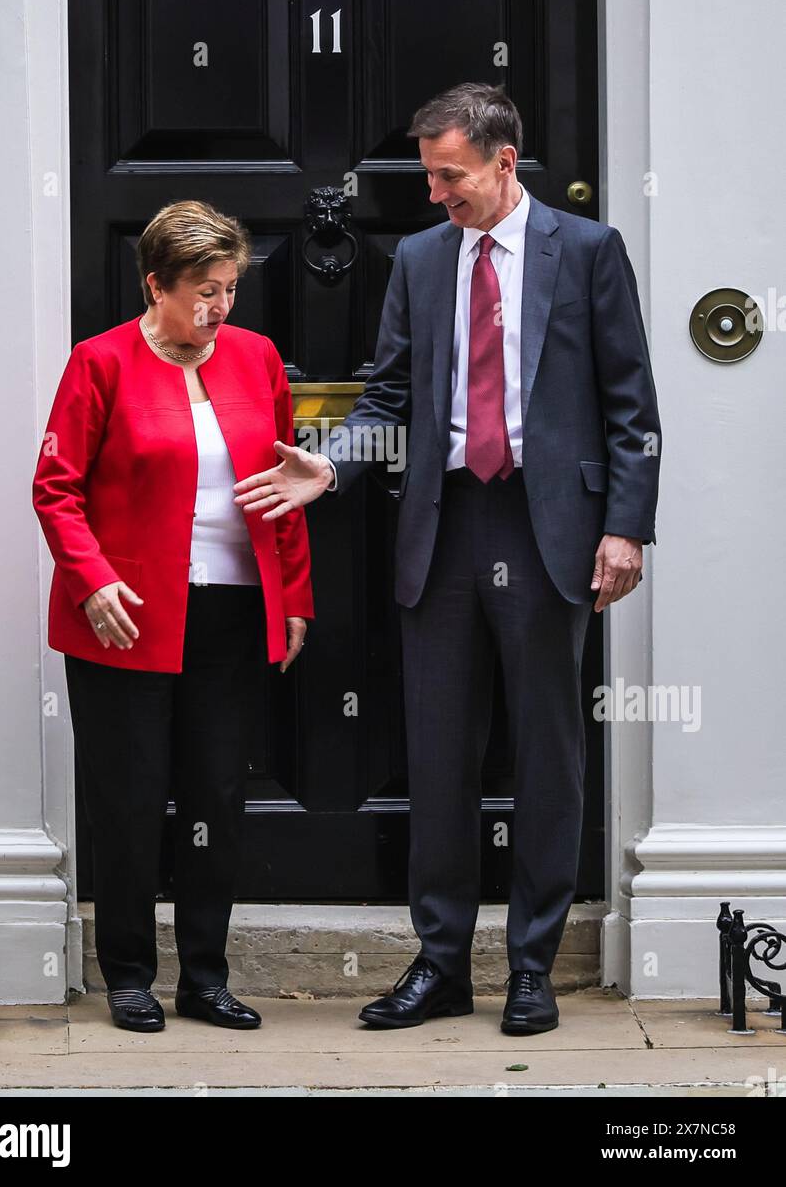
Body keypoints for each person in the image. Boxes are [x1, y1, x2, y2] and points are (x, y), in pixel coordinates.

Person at [233, 83, 661, 1036]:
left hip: (548, 527)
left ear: (504, 162)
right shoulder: (423, 261)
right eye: (428, 175)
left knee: (548, 754)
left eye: (449, 176)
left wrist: (625, 526)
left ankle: (532, 968)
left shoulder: (586, 252)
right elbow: (387, 398)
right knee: (436, 756)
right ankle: (439, 965)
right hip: (443, 526)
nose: (434, 194)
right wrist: (332, 469)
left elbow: (630, 403)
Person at [33, 200, 313, 1033]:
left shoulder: (257, 358)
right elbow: (57, 488)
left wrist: (293, 597)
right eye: (202, 291)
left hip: (231, 609)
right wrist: (90, 581)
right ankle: (126, 971)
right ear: (155, 284)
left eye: (228, 290)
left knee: (214, 798)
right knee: (127, 796)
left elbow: (285, 487)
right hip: (123, 616)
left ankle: (204, 975)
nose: (218, 309)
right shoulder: (100, 362)